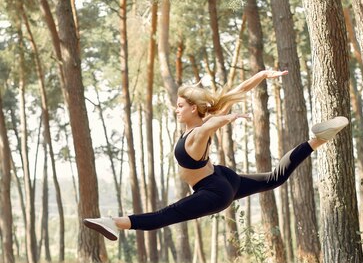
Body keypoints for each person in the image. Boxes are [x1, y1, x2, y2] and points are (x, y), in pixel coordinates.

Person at [83, 69, 348, 241]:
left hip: (214, 192)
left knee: (166, 215)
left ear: (193, 109)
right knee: (273, 178)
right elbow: (236, 93)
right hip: (223, 178)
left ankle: (112, 222)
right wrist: (262, 75)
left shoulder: (197, 134)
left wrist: (229, 118)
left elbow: (210, 125)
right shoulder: (200, 124)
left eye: (180, 106)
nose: (176, 110)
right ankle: (316, 140)